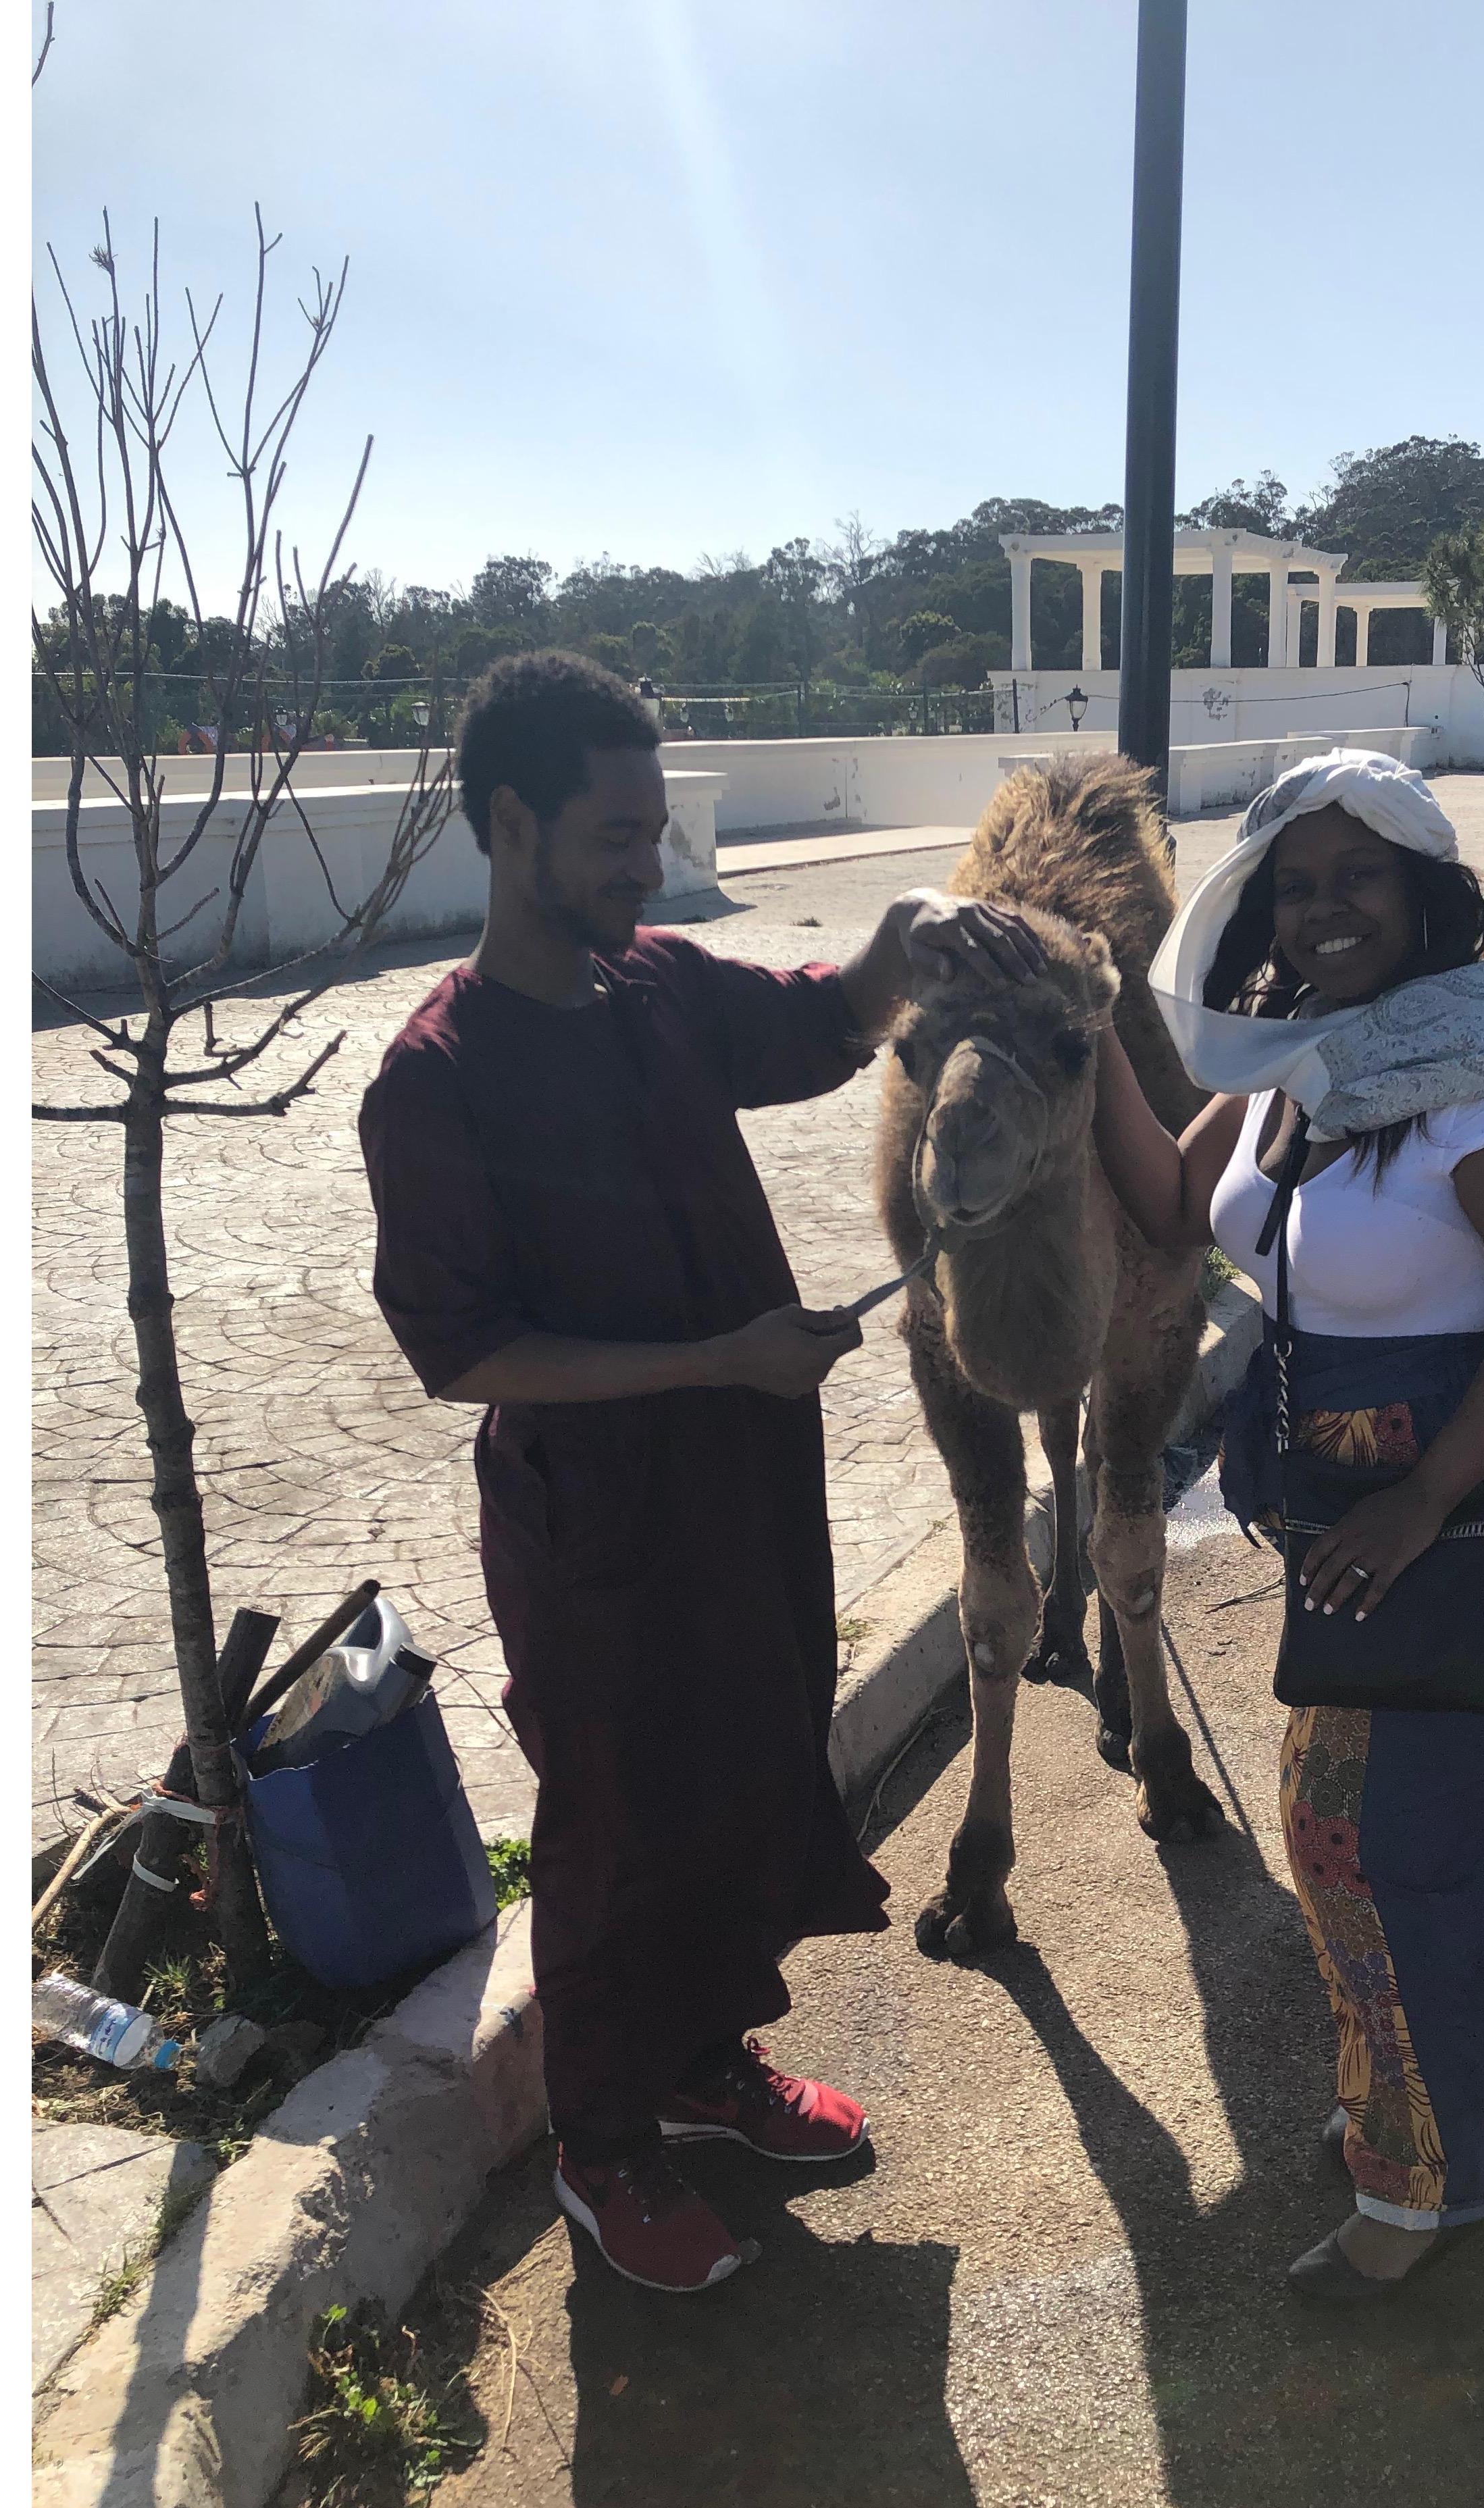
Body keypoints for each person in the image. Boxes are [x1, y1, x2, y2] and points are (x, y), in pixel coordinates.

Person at [358, 652, 1042, 2295]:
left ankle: (704, 2065)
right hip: (596, 1525)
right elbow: (466, 1355)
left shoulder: (652, 989)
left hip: (743, 1484)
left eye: (654, 832)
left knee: (743, 1769)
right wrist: (718, 1360)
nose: (647, 866)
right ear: (509, 824)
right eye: (612, 835)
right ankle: (605, 2147)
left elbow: (817, 1019)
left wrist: (904, 937)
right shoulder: (436, 1079)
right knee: (615, 1823)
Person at [1090, 748, 1484, 2302]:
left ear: (1433, 889)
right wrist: (1087, 1014)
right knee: (1371, 1835)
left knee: (1377, 1840)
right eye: (1298, 883)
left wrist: (1429, 1496)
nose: (1325, 910)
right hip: (1370, 1525)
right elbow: (1176, 1209)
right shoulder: (1298, 1059)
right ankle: (1422, 2098)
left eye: (1361, 876)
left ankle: (1434, 2177)